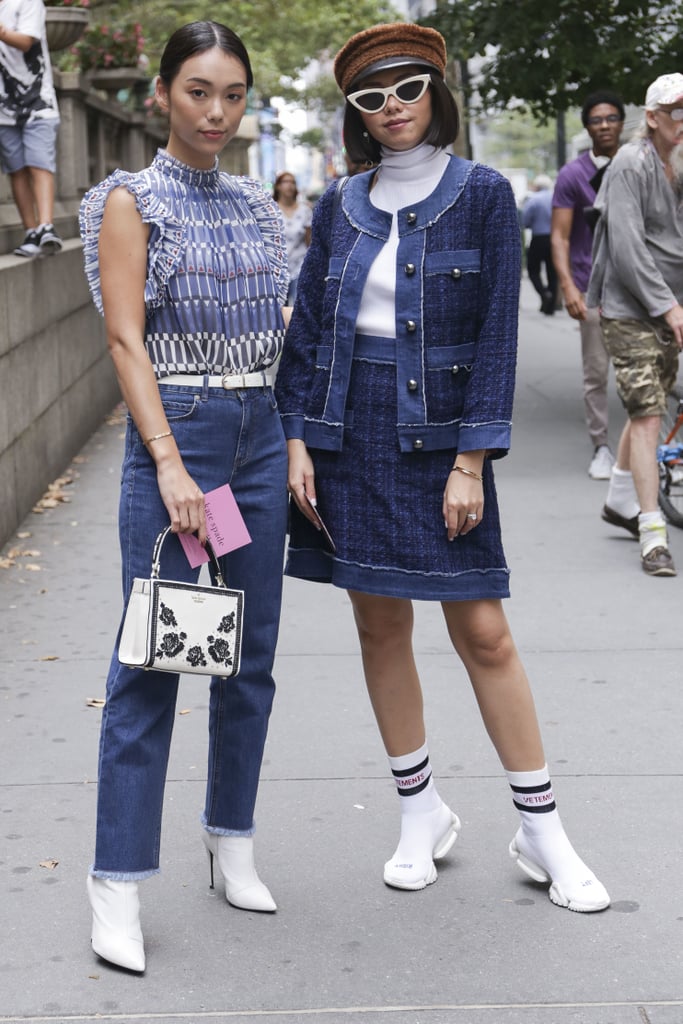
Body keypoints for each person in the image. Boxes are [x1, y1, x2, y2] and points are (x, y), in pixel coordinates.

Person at [275, 22, 610, 914]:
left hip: (439, 438)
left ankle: (541, 827)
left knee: (484, 633)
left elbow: (497, 331)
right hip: (347, 432)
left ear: (437, 90)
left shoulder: (485, 195)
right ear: (353, 113)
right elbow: (308, 329)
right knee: (379, 627)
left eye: (407, 88)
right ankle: (419, 811)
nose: (392, 109)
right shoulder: (339, 203)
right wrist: (299, 437)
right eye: (369, 98)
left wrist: (471, 458)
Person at [79, 20, 289, 972]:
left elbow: (282, 327)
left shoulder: (254, 205)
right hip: (186, 437)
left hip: (257, 437)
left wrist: (291, 444)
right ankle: (115, 882)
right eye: (198, 91)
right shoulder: (132, 200)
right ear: (162, 92)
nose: (216, 111)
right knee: (156, 661)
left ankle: (229, 839)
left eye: (232, 94)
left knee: (248, 657)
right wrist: (167, 462)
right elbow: (126, 340)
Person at [587, 73, 683, 577]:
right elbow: (627, 249)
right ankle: (653, 535)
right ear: (652, 118)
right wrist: (669, 307)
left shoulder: (680, 164)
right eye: (678, 113)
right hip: (628, 307)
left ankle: (620, 499)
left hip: (671, 305)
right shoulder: (630, 164)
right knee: (648, 414)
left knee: (648, 405)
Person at [551, 91, 625, 480]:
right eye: (597, 119)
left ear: (622, 122)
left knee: (652, 371)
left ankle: (660, 452)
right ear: (587, 127)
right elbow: (560, 237)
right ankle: (601, 447)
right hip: (592, 287)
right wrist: (568, 288)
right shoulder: (572, 175)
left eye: (612, 118)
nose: (604, 125)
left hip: (639, 290)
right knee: (596, 374)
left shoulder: (641, 164)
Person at [0, 0, 62, 257]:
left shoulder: (28, 2)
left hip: (39, 102)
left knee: (39, 163)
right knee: (17, 169)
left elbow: (26, 40)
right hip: (4, 107)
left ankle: (47, 226)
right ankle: (31, 231)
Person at [273, 171, 312, 305]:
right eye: (285, 182)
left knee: (298, 307)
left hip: (299, 266)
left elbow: (309, 242)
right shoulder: (270, 210)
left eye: (293, 182)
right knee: (279, 311)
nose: (289, 186)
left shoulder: (305, 210)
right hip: (277, 269)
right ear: (278, 186)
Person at [521, 174, 556, 315]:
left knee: (533, 270)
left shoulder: (533, 200)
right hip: (554, 238)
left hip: (538, 238)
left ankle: (543, 293)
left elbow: (525, 220)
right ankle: (550, 306)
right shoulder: (555, 198)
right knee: (552, 272)